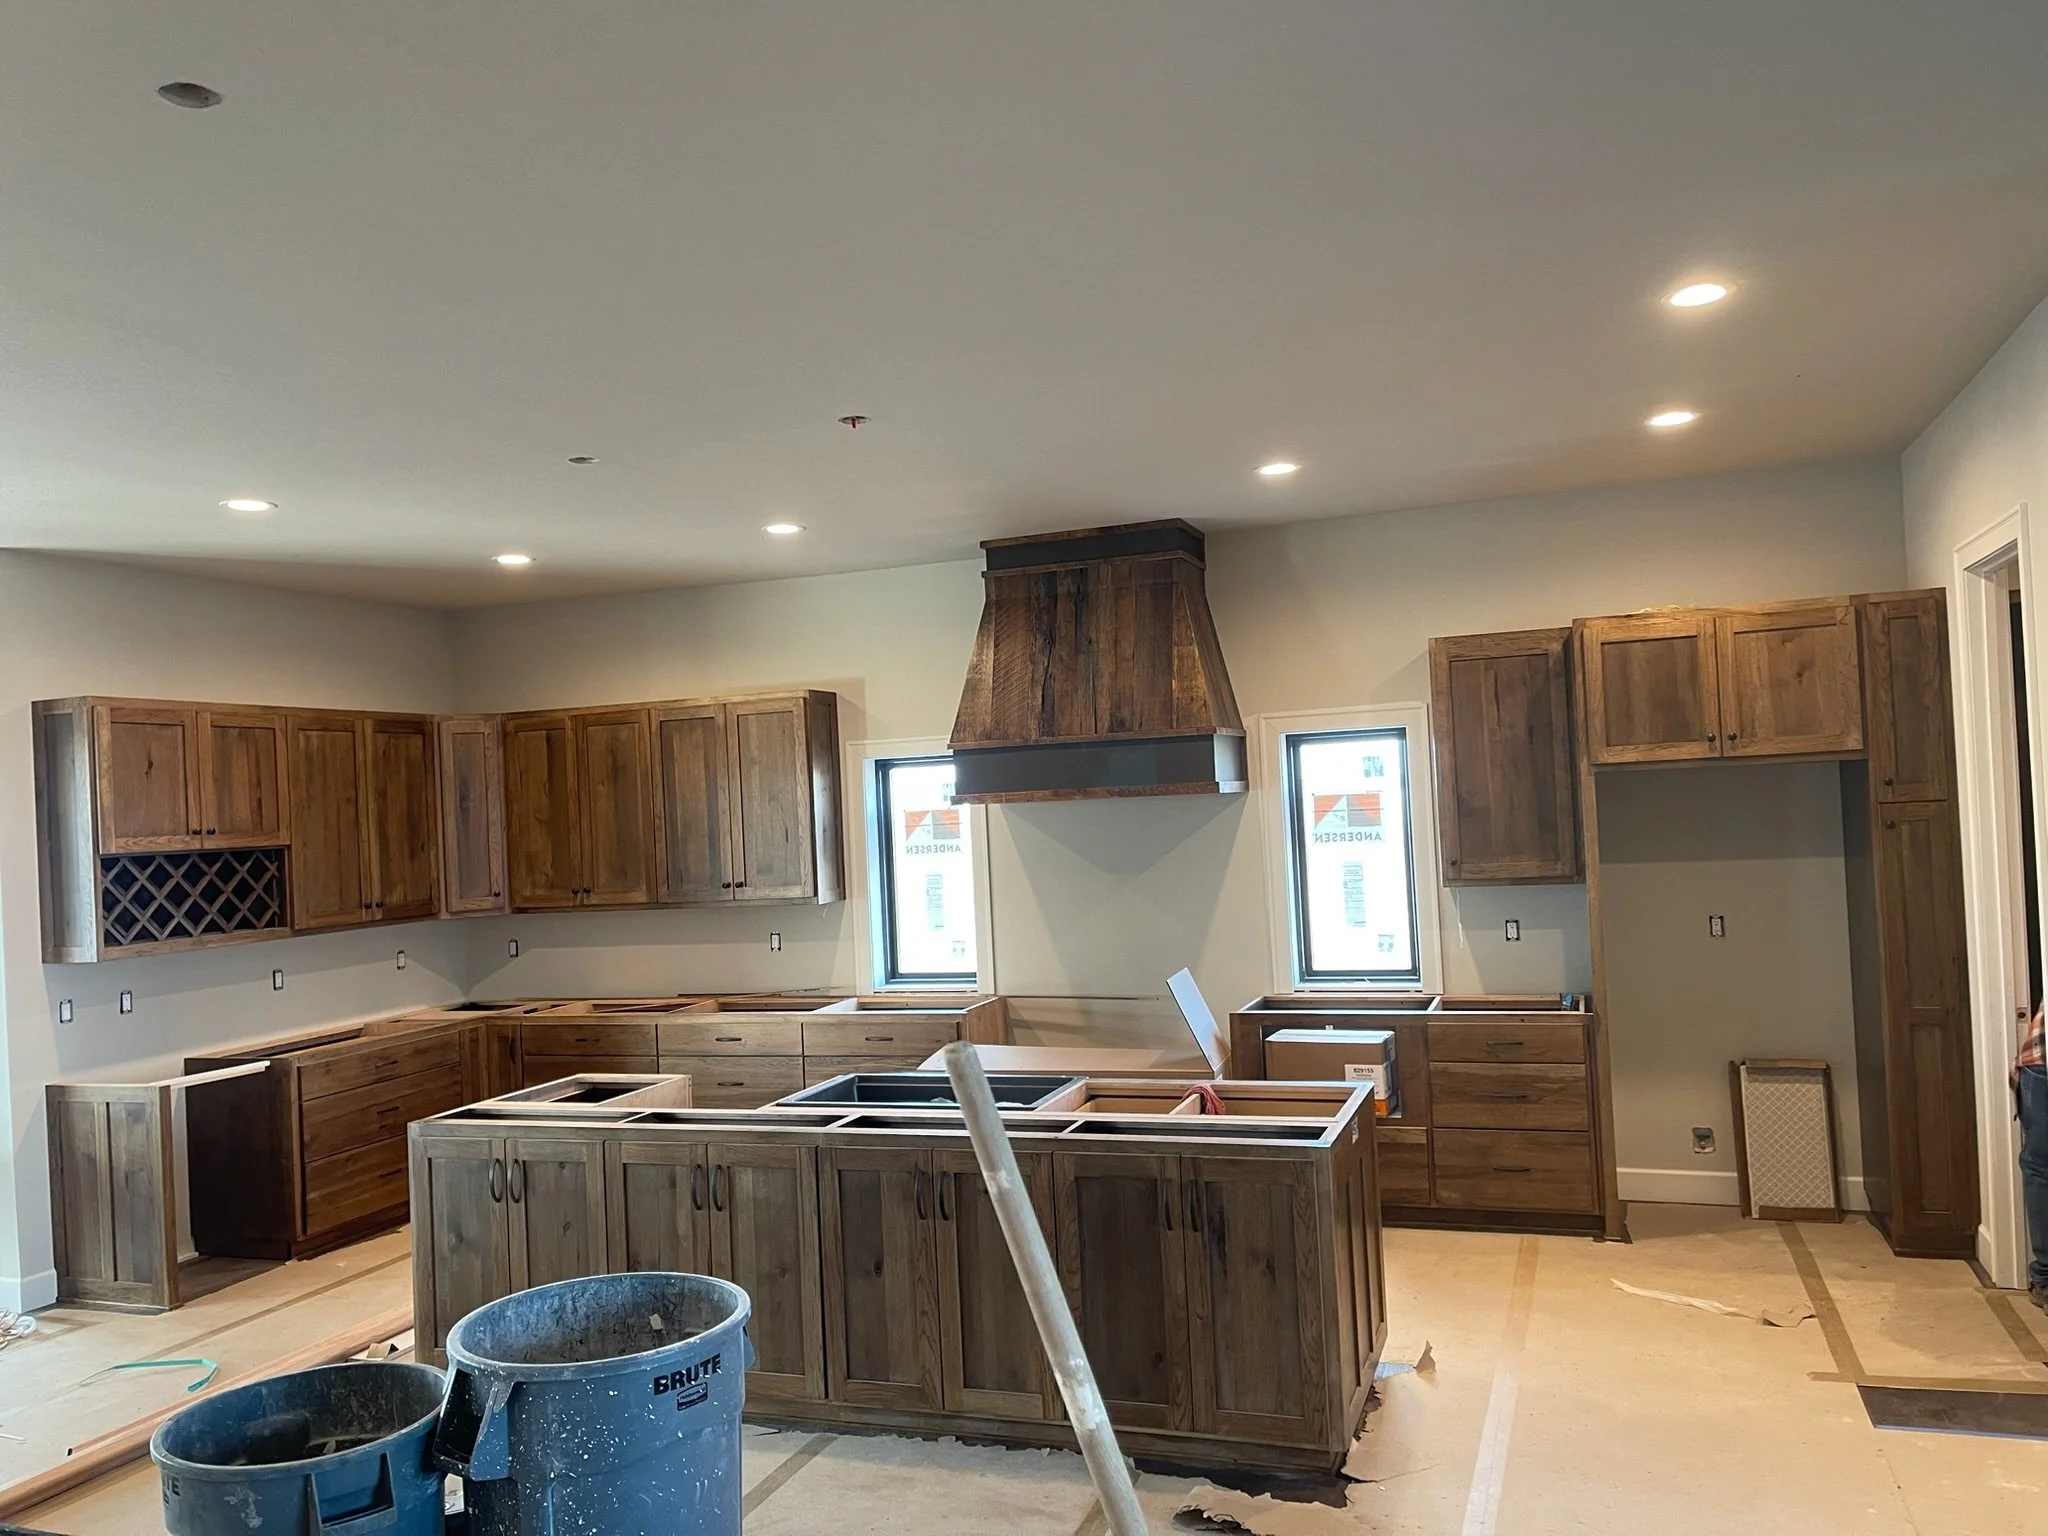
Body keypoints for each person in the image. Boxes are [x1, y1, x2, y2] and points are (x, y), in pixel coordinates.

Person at [2020, 1003, 2048, 1310]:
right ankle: (2045, 1277)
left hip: (2039, 1059)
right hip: (2039, 1060)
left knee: (2040, 1167)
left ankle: (2045, 1277)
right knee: (2040, 1167)